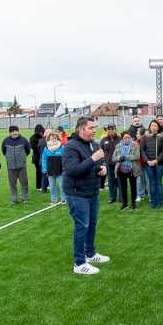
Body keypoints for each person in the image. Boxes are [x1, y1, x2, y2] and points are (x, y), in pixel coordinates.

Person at [62, 117, 110, 275]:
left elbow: (96, 165)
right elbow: (73, 170)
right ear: (81, 129)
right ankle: (79, 263)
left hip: (92, 191)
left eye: (94, 127)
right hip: (77, 193)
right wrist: (93, 159)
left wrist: (102, 168)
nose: (94, 130)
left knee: (92, 224)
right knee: (82, 226)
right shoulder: (71, 146)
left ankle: (90, 254)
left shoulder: (94, 144)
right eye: (91, 128)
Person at [1, 125, 31, 205]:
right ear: (10, 133)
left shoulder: (24, 140)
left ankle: (24, 198)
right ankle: (14, 198)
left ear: (18, 131)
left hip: (22, 166)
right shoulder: (5, 141)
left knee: (24, 182)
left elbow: (28, 151)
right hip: (10, 166)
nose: (15, 133)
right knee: (12, 183)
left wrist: (22, 159)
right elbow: (4, 151)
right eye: (12, 131)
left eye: (16, 131)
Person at [112, 131, 141, 210]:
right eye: (125, 138)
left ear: (131, 138)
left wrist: (125, 157)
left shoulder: (135, 145)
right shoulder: (118, 146)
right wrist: (119, 158)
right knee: (123, 187)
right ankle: (125, 204)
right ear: (122, 138)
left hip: (132, 169)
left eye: (128, 137)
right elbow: (114, 158)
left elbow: (137, 156)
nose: (127, 139)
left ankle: (133, 204)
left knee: (133, 187)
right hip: (121, 170)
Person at [141, 120, 163, 209]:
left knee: (158, 182)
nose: (154, 127)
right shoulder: (144, 137)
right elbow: (142, 150)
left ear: (158, 127)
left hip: (159, 164)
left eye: (155, 125)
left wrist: (157, 160)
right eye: (152, 125)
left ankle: (160, 202)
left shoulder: (162, 137)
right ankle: (153, 202)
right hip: (148, 164)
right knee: (152, 182)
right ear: (149, 127)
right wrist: (147, 161)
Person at [41, 132, 65, 204]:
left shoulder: (62, 147)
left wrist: (64, 168)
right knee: (52, 186)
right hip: (50, 170)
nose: (53, 139)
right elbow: (44, 159)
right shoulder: (46, 148)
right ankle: (53, 199)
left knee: (61, 186)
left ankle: (63, 199)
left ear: (57, 138)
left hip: (60, 170)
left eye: (55, 138)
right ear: (49, 139)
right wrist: (44, 169)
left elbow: (65, 159)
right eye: (52, 138)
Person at [100, 124, 121, 203]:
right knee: (111, 181)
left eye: (112, 129)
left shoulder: (120, 139)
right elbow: (101, 152)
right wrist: (103, 162)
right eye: (109, 129)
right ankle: (112, 197)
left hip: (118, 164)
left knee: (119, 181)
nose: (110, 130)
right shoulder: (104, 140)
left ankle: (121, 197)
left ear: (115, 129)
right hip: (109, 164)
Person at [29, 124, 46, 192]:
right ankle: (38, 186)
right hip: (37, 157)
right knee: (39, 172)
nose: (41, 132)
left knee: (44, 171)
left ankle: (45, 185)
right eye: (39, 131)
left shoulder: (44, 136)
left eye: (42, 131)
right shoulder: (33, 138)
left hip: (44, 156)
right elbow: (33, 147)